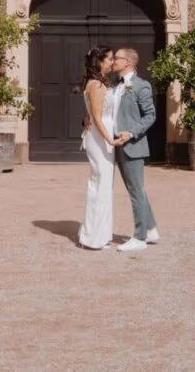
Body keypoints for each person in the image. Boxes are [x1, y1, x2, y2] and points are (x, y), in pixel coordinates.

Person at [77, 45, 127, 250]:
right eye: (108, 59)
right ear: (99, 62)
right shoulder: (96, 85)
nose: (111, 62)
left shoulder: (95, 83)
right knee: (100, 184)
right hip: (100, 138)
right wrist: (110, 140)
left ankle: (99, 234)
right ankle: (92, 237)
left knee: (102, 185)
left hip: (99, 135)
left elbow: (90, 114)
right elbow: (97, 116)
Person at [109, 47, 159, 252]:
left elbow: (150, 115)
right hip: (116, 144)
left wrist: (130, 133)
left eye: (117, 59)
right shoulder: (115, 86)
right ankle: (151, 229)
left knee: (136, 191)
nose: (113, 62)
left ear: (128, 62)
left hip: (133, 145)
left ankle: (139, 238)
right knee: (136, 189)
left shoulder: (141, 86)